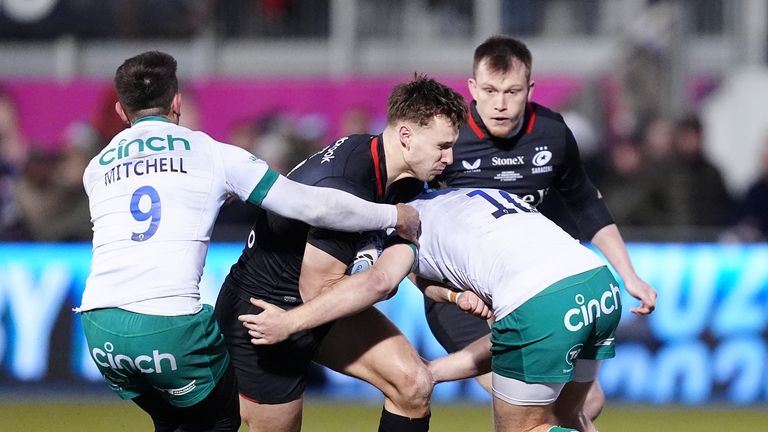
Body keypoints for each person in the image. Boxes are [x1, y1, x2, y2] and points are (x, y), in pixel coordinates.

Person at [74, 51, 420, 432]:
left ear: (122, 112)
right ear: (177, 102)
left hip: (99, 327)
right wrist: (392, 215)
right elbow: (310, 205)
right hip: (168, 323)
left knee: (174, 421)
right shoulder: (211, 153)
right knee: (223, 420)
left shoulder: (97, 167)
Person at [241, 181, 632, 432]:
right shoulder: (471, 198)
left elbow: (380, 282)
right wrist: (433, 368)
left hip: (541, 299)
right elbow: (505, 341)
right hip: (598, 283)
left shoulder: (404, 225)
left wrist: (292, 322)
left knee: (525, 430)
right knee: (567, 417)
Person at [213, 74, 468, 432]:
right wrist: (382, 278)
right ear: (406, 136)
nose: (449, 157)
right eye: (442, 146)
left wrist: (452, 293)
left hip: (316, 308)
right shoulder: (347, 181)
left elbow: (404, 261)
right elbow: (318, 290)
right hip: (263, 316)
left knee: (413, 384)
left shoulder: (402, 176)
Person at [425, 35, 657, 419]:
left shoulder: (551, 132)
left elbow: (586, 204)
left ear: (530, 89)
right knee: (537, 415)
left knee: (587, 404)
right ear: (471, 88)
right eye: (490, 90)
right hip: (466, 297)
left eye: (512, 91)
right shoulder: (447, 136)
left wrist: (628, 275)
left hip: (529, 286)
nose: (500, 104)